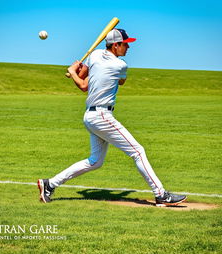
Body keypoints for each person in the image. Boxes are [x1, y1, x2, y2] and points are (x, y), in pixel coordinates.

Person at [38, 28, 187, 207]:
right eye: (125, 44)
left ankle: (49, 184)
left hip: (90, 116)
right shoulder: (120, 66)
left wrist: (75, 71)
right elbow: (119, 81)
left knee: (95, 162)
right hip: (102, 115)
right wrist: (79, 71)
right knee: (138, 151)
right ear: (115, 45)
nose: (128, 48)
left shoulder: (94, 55)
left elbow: (83, 84)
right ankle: (161, 194)